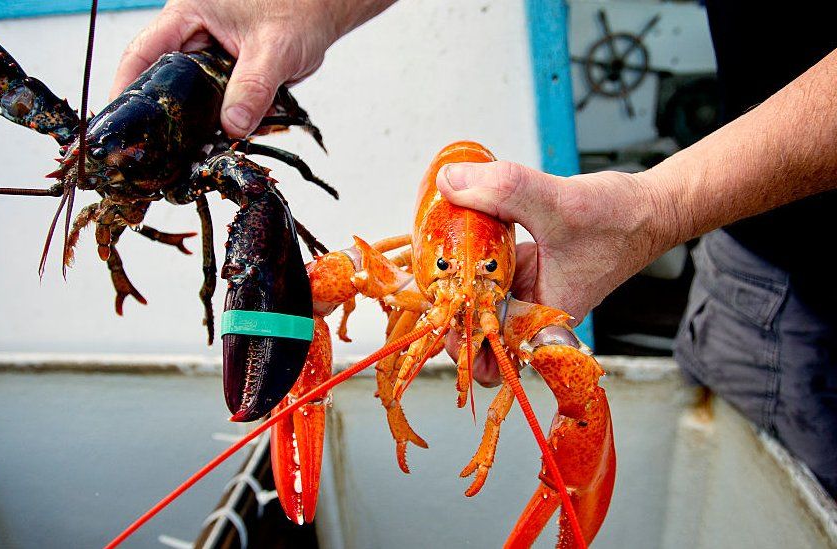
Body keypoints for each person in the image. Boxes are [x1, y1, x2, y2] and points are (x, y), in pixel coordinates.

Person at [112, 1, 837, 498]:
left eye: (492, 271)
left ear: (509, 255)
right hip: (773, 271)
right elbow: (339, 280)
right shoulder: (414, 267)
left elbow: (575, 391)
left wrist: (656, 208)